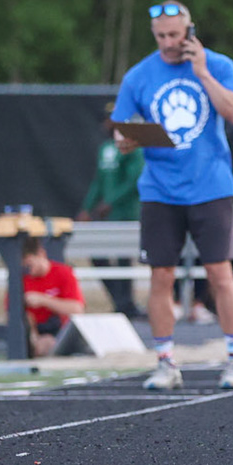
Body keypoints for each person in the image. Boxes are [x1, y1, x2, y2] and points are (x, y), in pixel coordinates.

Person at [112, 1, 233, 391]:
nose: (168, 43)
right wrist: (126, 138)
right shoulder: (139, 75)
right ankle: (165, 362)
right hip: (160, 189)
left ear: (190, 30)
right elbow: (120, 130)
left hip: (211, 186)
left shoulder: (218, 65)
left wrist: (202, 71)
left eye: (175, 35)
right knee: (160, 275)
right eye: (161, 36)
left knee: (220, 274)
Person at [79, 102, 143, 316]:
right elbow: (99, 181)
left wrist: (112, 201)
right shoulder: (105, 148)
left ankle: (126, 303)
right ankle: (119, 300)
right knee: (98, 256)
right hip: (106, 214)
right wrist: (87, 207)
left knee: (125, 259)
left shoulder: (133, 145)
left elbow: (134, 179)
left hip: (126, 211)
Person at [21, 236, 85, 357]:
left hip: (61, 331)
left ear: (41, 254)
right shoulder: (22, 280)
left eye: (29, 264)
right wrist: (33, 338)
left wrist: (43, 300)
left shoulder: (63, 273)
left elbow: (77, 309)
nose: (28, 270)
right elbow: (21, 315)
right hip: (37, 333)